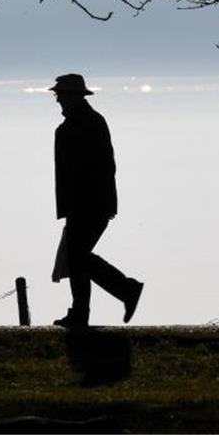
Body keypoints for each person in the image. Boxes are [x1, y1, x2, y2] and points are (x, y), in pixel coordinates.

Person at [49, 73, 143, 327]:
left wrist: (94, 203)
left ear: (72, 97)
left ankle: (125, 288)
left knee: (77, 257)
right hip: (84, 205)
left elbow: (102, 167)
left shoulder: (86, 124)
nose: (57, 100)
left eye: (60, 95)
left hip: (89, 205)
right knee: (77, 258)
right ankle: (82, 311)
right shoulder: (80, 124)